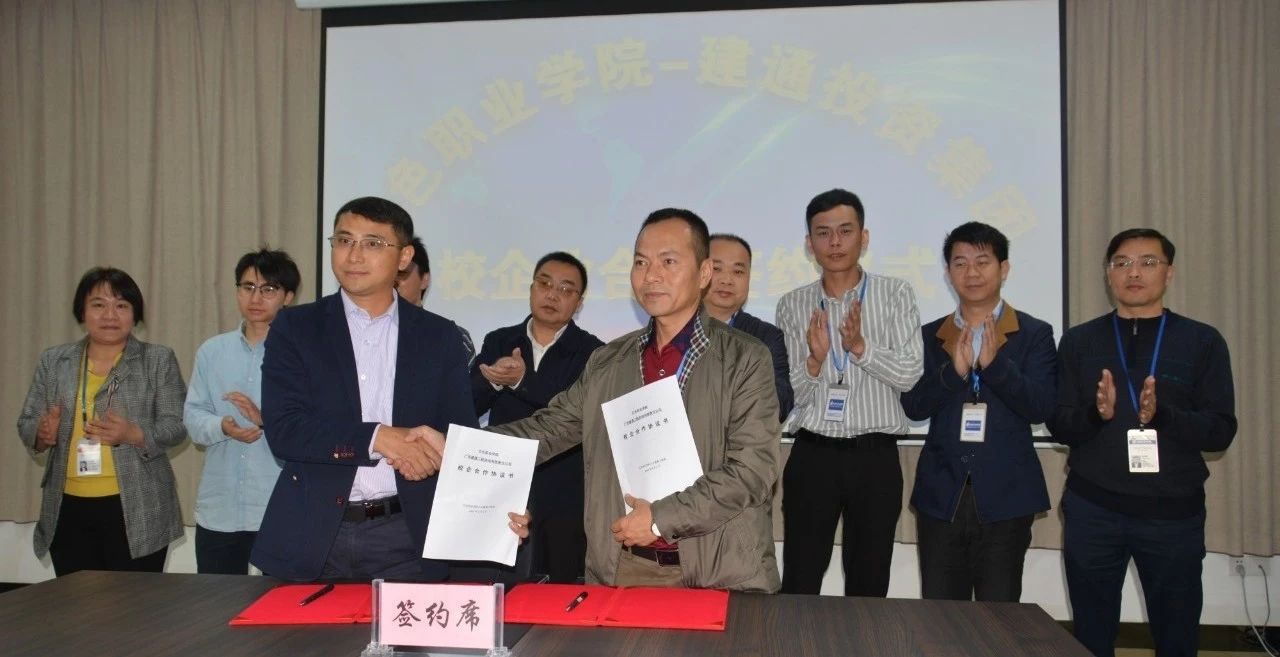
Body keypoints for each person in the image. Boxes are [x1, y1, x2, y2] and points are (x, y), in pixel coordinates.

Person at [426, 208, 781, 592]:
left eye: (668, 262)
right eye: (641, 262)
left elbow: (751, 471)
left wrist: (660, 519)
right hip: (625, 567)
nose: (651, 275)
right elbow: (549, 429)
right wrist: (457, 446)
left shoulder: (745, 357)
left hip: (718, 567)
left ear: (704, 272)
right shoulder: (608, 361)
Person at [250, 196, 527, 582]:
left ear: (404, 257)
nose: (354, 255)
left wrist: (497, 505)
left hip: (407, 537)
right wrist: (379, 438)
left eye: (373, 243)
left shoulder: (439, 336)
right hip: (313, 535)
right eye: (344, 240)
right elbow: (285, 431)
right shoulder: (296, 328)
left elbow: (458, 437)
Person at [1049, 228, 1236, 657]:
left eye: (1148, 262)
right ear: (1108, 274)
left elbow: (1221, 430)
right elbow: (1059, 424)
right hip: (1093, 511)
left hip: (1173, 516)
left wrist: (1164, 416)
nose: (1134, 272)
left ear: (1169, 273)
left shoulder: (1202, 341)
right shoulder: (1079, 341)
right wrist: (1097, 415)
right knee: (1091, 635)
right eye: (1122, 263)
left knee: (1176, 636)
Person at [775, 188, 923, 597]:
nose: (835, 242)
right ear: (809, 243)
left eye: (845, 230)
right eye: (823, 233)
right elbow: (790, 397)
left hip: (875, 457)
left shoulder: (896, 294)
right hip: (813, 454)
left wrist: (860, 348)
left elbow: (910, 374)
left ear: (864, 237)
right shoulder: (793, 305)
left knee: (869, 581)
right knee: (800, 578)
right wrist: (815, 361)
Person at [899, 221, 1055, 601]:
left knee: (998, 616)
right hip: (942, 495)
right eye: (960, 263)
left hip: (1007, 496)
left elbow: (1040, 407)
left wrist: (997, 367)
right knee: (941, 614)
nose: (971, 272)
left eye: (982, 262)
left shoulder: (1034, 333)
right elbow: (914, 405)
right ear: (948, 272)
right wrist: (952, 373)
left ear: (1004, 268)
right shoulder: (930, 335)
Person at [17, 267, 186, 576]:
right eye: (98, 305)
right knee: (76, 601)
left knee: (134, 601)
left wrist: (134, 434)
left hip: (138, 504)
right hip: (67, 506)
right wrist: (41, 433)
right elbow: (27, 421)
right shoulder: (54, 361)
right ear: (82, 311)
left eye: (121, 305)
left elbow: (176, 424)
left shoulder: (157, 359)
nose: (110, 315)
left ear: (135, 314)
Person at [471, 251, 604, 583]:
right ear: (532, 288)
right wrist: (492, 380)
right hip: (502, 486)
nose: (552, 295)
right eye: (544, 284)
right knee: (501, 585)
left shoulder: (594, 352)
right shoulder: (499, 340)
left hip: (565, 491)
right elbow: (468, 404)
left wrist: (521, 381)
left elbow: (574, 413)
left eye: (565, 289)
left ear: (579, 303)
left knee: (559, 587)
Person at [184, 248, 300, 574]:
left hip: (279, 506)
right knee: (218, 601)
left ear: (288, 297)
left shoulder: (301, 353)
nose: (255, 298)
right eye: (247, 287)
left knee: (280, 601)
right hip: (220, 507)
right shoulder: (212, 351)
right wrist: (222, 426)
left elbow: (311, 425)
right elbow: (192, 417)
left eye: (268, 289)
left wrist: (266, 420)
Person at [704, 233, 794, 422]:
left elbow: (780, 404)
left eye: (738, 272)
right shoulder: (673, 329)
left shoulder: (766, 336)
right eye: (717, 269)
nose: (727, 280)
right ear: (700, 272)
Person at [395, 236, 476, 364]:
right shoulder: (368, 331)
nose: (393, 281)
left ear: (424, 279)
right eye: (388, 273)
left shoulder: (454, 337)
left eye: (401, 274)